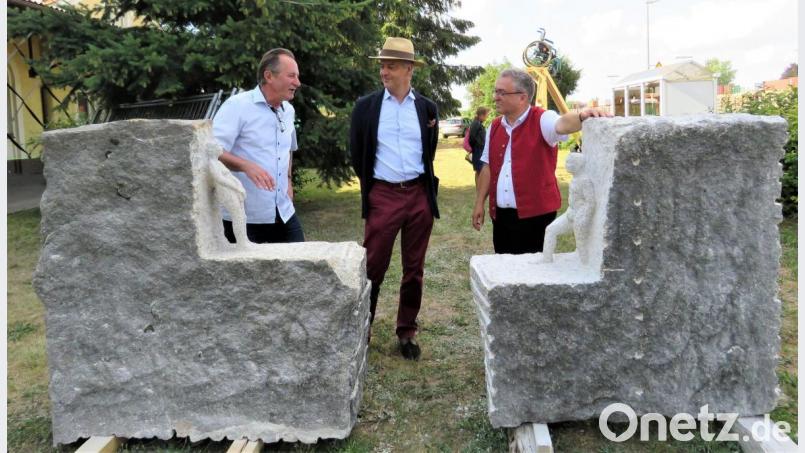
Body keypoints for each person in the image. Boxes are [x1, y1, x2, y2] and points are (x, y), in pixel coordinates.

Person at [349, 37, 440, 360]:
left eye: (390, 65)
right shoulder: (366, 107)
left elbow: (428, 153)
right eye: (382, 65)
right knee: (373, 266)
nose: (383, 71)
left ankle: (407, 331)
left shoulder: (427, 108)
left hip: (418, 195)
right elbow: (356, 152)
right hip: (383, 194)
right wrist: (373, 190)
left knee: (414, 269)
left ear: (409, 69)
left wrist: (422, 194)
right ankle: (363, 327)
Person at [471, 68, 610, 254]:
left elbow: (561, 124)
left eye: (501, 92)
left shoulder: (542, 118)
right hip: (502, 217)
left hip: (536, 217)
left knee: (533, 274)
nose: (495, 96)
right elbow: (487, 167)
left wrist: (581, 116)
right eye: (496, 91)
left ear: (522, 97)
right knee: (505, 271)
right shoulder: (494, 126)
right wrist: (480, 202)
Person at [212, 48, 304, 244]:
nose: (297, 82)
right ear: (269, 76)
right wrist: (245, 165)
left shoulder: (289, 111)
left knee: (301, 266)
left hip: (285, 212)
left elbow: (288, 148)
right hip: (245, 218)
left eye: (297, 76)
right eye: (291, 76)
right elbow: (211, 149)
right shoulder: (237, 106)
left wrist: (288, 180)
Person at [469, 106, 490, 184]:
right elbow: (471, 138)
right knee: (480, 170)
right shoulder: (476, 123)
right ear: (481, 115)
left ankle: (479, 188)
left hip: (480, 150)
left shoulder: (479, 123)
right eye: (486, 116)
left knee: (479, 170)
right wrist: (475, 148)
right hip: (478, 150)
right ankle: (479, 188)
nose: (486, 118)